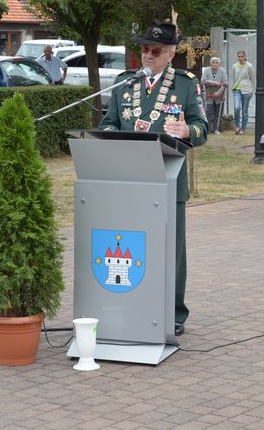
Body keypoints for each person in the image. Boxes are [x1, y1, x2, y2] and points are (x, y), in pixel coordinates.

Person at [99, 21, 208, 336]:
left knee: (170, 251)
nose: (147, 54)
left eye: (155, 50)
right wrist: (107, 140)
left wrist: (188, 131)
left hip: (168, 179)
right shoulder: (125, 82)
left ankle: (174, 312)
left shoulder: (186, 84)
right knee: (132, 247)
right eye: (144, 48)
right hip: (129, 180)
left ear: (171, 54)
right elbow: (109, 123)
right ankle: (133, 303)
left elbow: (202, 126)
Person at [230, 50, 255, 135]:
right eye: (239, 56)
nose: (240, 58)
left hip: (247, 90)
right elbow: (234, 78)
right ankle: (237, 126)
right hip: (237, 89)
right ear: (237, 57)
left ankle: (243, 129)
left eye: (242, 56)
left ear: (245, 57)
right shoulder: (234, 66)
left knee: (244, 111)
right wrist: (234, 87)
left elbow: (252, 78)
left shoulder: (249, 66)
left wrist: (252, 90)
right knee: (236, 107)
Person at [201, 57, 228, 134]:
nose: (215, 64)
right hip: (209, 96)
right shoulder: (206, 70)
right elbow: (203, 81)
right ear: (211, 63)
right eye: (213, 62)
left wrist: (218, 93)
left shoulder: (223, 71)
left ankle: (216, 129)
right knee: (208, 112)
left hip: (220, 96)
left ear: (219, 64)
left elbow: (225, 83)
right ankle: (208, 129)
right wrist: (214, 83)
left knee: (218, 114)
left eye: (216, 62)